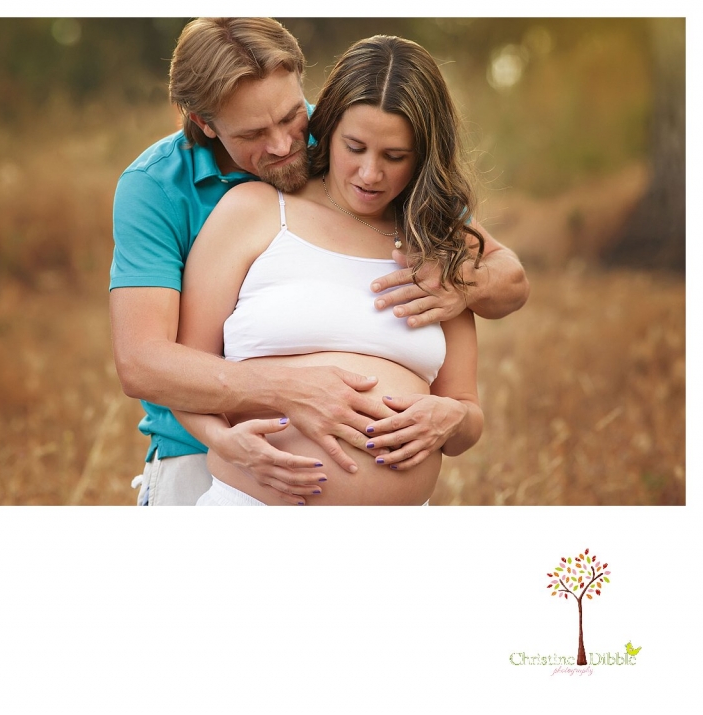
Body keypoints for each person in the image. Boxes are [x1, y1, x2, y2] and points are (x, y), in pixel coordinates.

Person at [109, 18, 529, 506]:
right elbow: (142, 361)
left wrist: (460, 283)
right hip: (200, 454)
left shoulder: (354, 130)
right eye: (254, 133)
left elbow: (506, 278)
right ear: (206, 123)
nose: (287, 145)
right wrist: (283, 394)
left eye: (292, 117)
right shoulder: (159, 188)